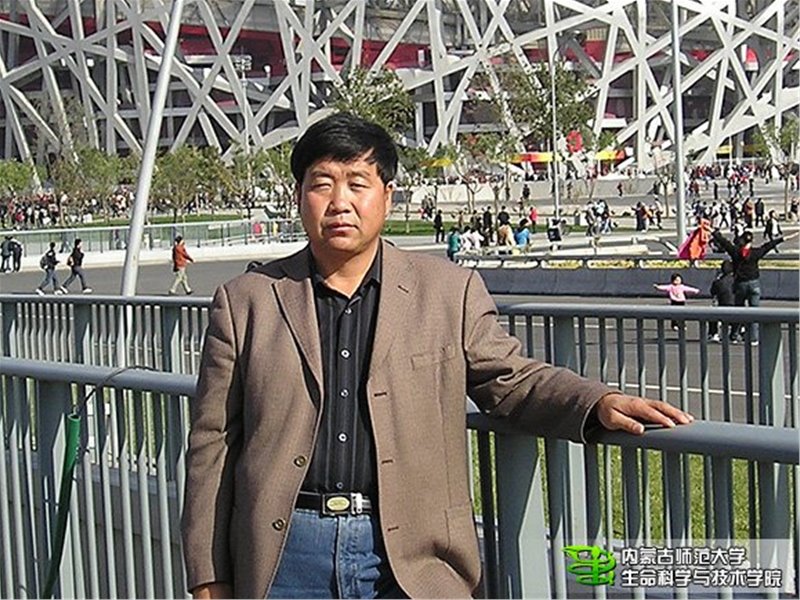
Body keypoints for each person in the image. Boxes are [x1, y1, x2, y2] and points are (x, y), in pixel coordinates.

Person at [180, 113, 692, 600]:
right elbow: (212, 442)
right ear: (298, 197)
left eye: (357, 184)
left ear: (387, 196)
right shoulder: (247, 301)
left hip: (410, 555)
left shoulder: (448, 292)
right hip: (285, 555)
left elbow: (511, 379)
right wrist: (208, 575)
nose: (340, 202)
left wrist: (596, 403)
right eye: (322, 184)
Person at [712, 228, 799, 343]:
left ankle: (734, 335)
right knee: (755, 312)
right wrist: (784, 238)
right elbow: (769, 245)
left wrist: (713, 232)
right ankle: (754, 338)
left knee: (738, 311)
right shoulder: (756, 253)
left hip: (740, 284)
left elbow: (724, 242)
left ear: (741, 240)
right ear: (751, 241)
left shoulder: (736, 252)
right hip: (754, 284)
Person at [708, 259, 735, 342]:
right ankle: (736, 333)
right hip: (736, 306)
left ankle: (713, 333)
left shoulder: (718, 282)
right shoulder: (736, 280)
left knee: (711, 313)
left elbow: (712, 292)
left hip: (723, 306)